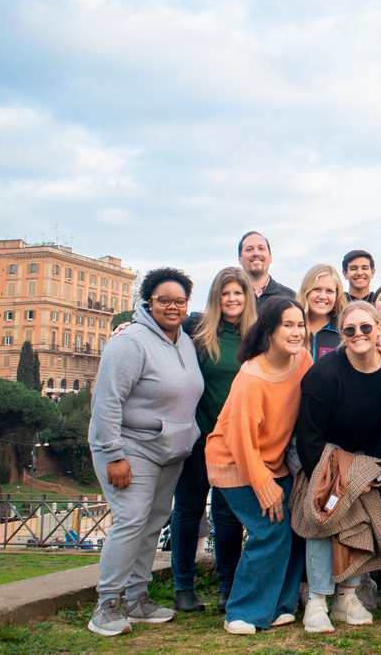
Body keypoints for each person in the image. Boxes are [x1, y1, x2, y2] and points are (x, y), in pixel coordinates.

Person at [87, 268, 205, 637]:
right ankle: (105, 606)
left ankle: (136, 599)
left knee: (152, 523)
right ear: (148, 302)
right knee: (130, 521)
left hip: (170, 451)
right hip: (131, 448)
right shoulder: (130, 341)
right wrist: (113, 454)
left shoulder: (183, 339)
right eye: (163, 300)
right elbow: (107, 401)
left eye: (180, 301)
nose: (172, 306)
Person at [296, 302, 381, 632]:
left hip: (366, 460)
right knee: (323, 515)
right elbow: (308, 434)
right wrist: (329, 478)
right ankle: (316, 599)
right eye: (350, 330)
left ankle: (347, 595)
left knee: (360, 515)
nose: (358, 334)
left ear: (378, 329)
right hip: (324, 458)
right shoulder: (324, 373)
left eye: (365, 328)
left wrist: (372, 472)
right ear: (342, 335)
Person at [204, 297, 311, 635]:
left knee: (295, 526)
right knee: (271, 527)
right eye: (288, 325)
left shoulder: (303, 360)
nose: (296, 332)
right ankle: (242, 612)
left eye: (300, 325)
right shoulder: (251, 376)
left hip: (273, 462)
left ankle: (280, 605)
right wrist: (262, 483)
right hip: (234, 463)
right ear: (269, 331)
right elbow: (239, 439)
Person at [171, 267, 254, 614]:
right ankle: (183, 586)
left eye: (238, 293)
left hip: (234, 442)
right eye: (225, 293)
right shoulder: (196, 329)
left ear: (247, 298)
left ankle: (227, 586)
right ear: (216, 298)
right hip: (198, 438)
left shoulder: (257, 336)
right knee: (188, 512)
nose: (232, 299)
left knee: (227, 517)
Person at [297, 264, 347, 360]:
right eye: (317, 289)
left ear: (337, 295)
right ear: (306, 291)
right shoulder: (291, 328)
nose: (323, 296)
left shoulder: (343, 331)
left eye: (329, 291)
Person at [237, 231, 296, 310]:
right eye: (249, 249)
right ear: (240, 259)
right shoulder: (232, 299)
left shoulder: (289, 297)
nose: (256, 253)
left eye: (261, 249)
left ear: (270, 257)